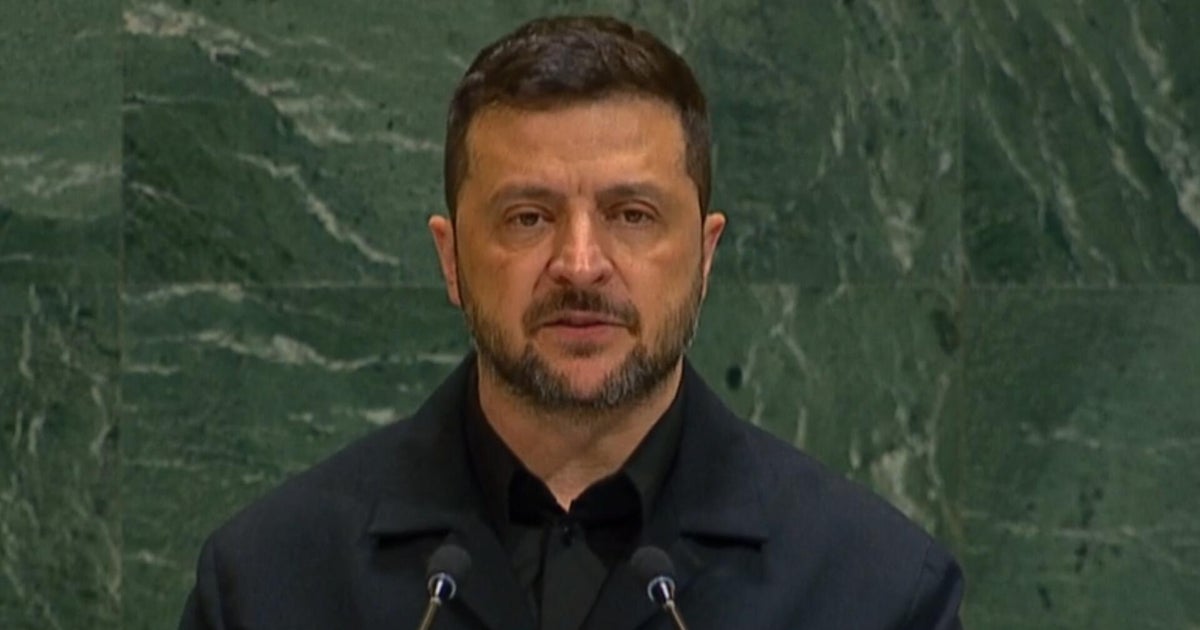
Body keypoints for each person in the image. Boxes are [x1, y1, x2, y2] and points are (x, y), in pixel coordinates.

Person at [179, 15, 964, 630]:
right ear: (451, 259)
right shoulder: (269, 584)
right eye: (528, 217)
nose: (581, 264)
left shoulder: (878, 593)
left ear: (705, 255)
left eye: (632, 214)